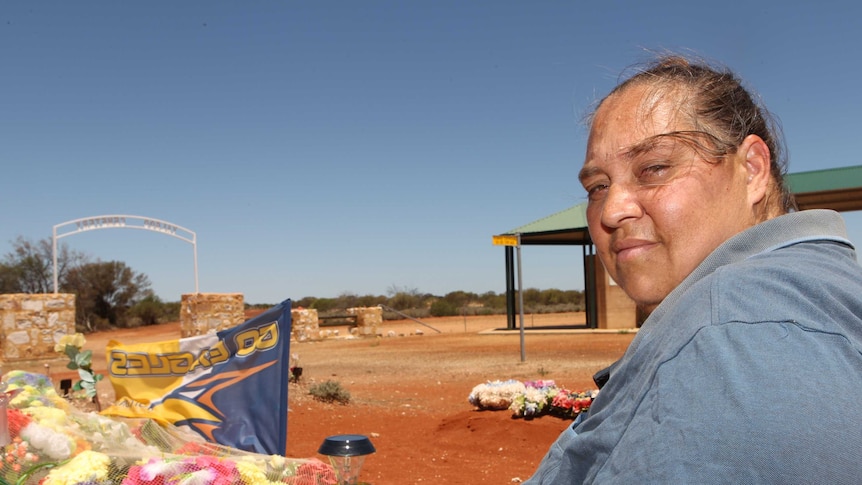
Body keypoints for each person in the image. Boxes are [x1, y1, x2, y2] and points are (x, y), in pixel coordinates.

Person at [525, 54, 862, 483]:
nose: (611, 211)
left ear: (753, 169)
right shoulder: (820, 290)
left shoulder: (728, 330)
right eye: (597, 187)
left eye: (655, 168)